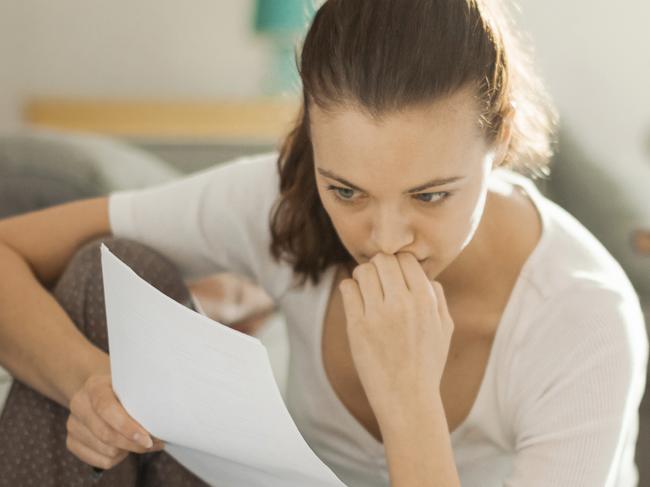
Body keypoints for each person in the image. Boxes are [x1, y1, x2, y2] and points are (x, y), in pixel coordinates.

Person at [0, 0, 647, 485]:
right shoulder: (282, 203)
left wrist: (409, 400)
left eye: (430, 195)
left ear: (499, 145)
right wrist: (87, 383)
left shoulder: (584, 319)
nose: (386, 239)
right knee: (104, 275)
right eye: (348, 191)